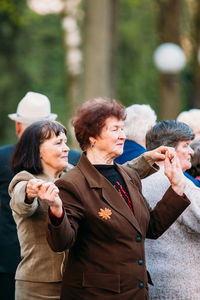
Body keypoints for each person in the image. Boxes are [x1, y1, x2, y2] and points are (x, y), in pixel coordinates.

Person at [44, 98, 190, 300]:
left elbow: (150, 228)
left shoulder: (128, 175)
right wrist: (56, 211)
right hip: (97, 295)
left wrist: (176, 189)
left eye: (123, 129)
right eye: (115, 129)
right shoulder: (72, 184)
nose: (123, 135)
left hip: (135, 292)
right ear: (92, 137)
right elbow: (61, 243)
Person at [0, 91, 59, 300]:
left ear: (18, 127)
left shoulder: (2, 158)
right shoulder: (72, 160)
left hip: (7, 262)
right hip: (57, 268)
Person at [8, 120, 70, 300]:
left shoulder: (72, 175)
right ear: (38, 150)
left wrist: (147, 160)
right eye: (59, 143)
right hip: (38, 287)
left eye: (65, 142)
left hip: (76, 283)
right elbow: (21, 203)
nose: (66, 148)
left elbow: (112, 174)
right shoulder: (24, 179)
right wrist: (30, 191)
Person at [142, 120, 200, 299]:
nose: (191, 151)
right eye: (186, 146)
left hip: (151, 281)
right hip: (182, 285)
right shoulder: (180, 183)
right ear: (168, 150)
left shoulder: (138, 181)